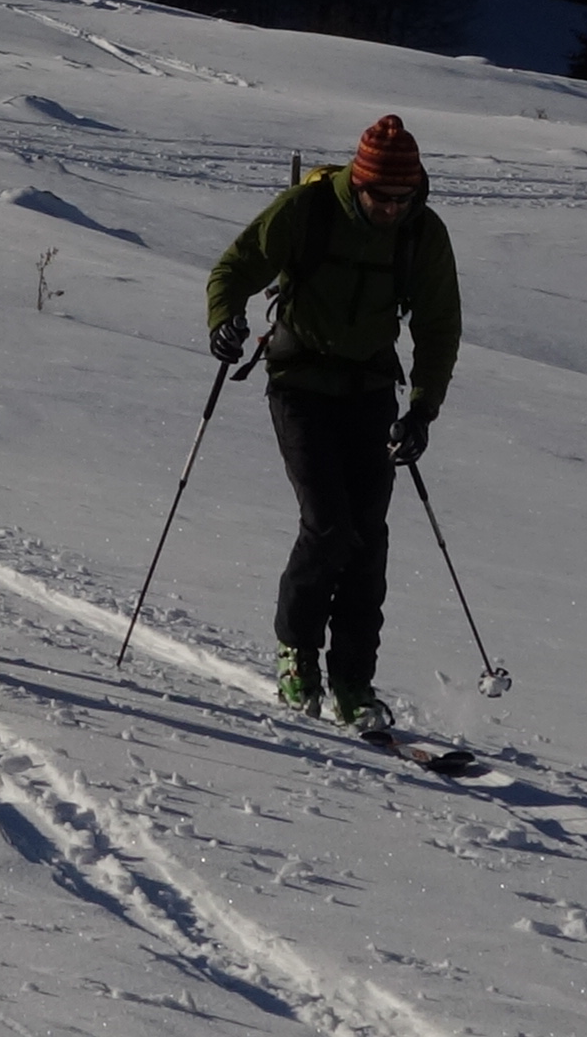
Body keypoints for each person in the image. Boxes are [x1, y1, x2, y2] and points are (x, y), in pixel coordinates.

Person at [202, 112, 461, 730]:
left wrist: (422, 409)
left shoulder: (422, 234)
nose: (395, 208)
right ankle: (297, 654)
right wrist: (224, 321)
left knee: (368, 534)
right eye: (384, 197)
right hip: (299, 383)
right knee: (327, 524)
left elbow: (437, 326)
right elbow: (232, 269)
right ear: (359, 182)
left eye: (406, 196)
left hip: (370, 388)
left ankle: (353, 680)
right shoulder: (308, 210)